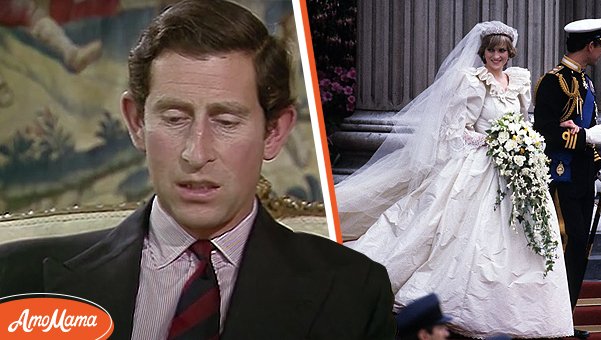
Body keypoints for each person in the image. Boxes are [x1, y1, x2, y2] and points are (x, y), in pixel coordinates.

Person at [0, 1, 396, 339]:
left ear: (273, 132)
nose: (196, 152)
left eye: (226, 121)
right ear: (137, 122)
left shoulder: (353, 291)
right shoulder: (17, 277)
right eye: (174, 118)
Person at [335, 21, 573, 338]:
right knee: (458, 234)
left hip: (516, 170)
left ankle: (517, 314)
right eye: (491, 50)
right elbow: (457, 131)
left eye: (502, 50)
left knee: (520, 241)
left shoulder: (518, 82)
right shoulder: (472, 83)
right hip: (481, 166)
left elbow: (523, 122)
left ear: (509, 52)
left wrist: (523, 144)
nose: (497, 56)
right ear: (483, 51)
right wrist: (494, 141)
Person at [533, 18, 601, 339]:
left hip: (583, 179)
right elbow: (547, 133)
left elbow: (588, 137)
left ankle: (564, 320)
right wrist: (584, 137)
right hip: (561, 178)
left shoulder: (586, 83)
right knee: (571, 243)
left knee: (582, 248)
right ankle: (553, 320)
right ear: (590, 45)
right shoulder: (554, 82)